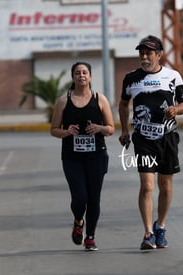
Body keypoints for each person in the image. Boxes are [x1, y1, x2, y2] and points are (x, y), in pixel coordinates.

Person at [118, 35, 183, 250]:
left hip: (167, 137)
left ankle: (161, 226)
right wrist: (124, 130)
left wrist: (176, 110)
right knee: (147, 185)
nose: (144, 57)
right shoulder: (131, 78)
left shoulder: (172, 76)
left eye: (149, 53)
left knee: (165, 186)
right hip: (143, 139)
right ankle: (148, 233)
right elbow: (123, 104)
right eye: (141, 53)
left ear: (159, 55)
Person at [50, 61, 115, 251]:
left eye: (85, 72)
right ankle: (79, 221)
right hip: (72, 158)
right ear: (73, 77)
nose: (81, 76)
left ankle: (91, 237)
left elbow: (111, 129)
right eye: (77, 73)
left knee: (94, 198)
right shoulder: (64, 101)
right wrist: (67, 132)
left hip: (96, 156)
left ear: (90, 76)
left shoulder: (100, 99)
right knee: (80, 197)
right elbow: (53, 130)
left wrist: (100, 128)